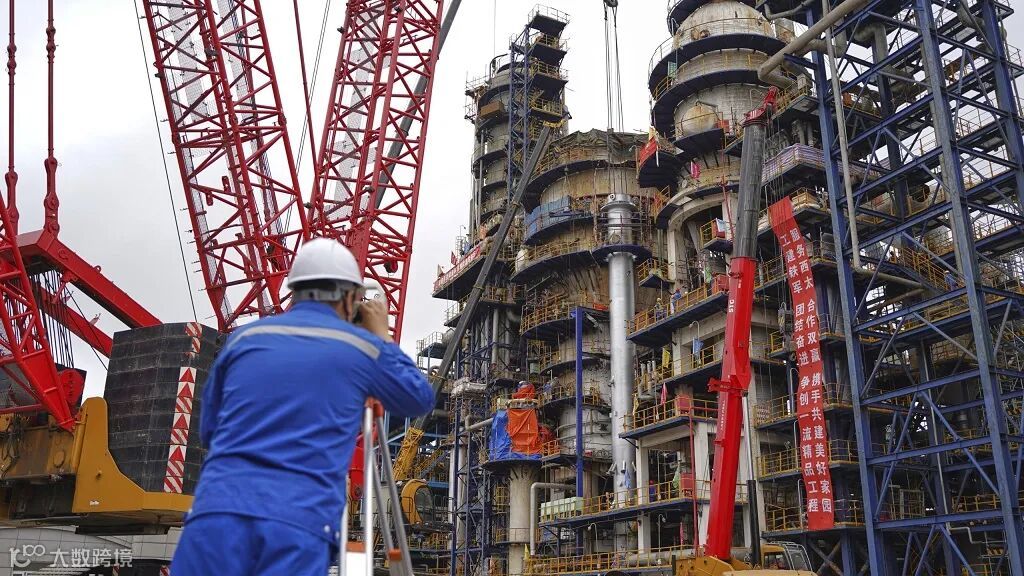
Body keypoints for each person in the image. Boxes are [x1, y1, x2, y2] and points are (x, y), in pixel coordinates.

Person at [171, 238, 435, 576]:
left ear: (293, 291)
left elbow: (209, 431)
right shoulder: (361, 348)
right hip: (296, 526)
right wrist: (382, 336)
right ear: (350, 299)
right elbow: (418, 397)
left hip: (214, 516)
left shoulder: (242, 340)